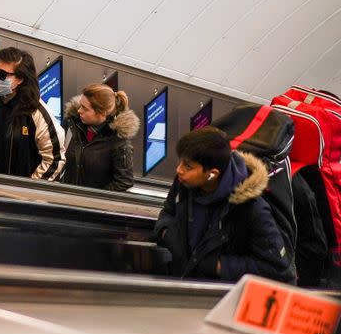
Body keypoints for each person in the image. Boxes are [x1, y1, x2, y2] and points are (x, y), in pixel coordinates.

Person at [154, 127, 295, 283]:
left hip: (217, 296)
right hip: (181, 282)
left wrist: (219, 266)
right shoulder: (184, 183)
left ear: (212, 174)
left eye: (188, 166)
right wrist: (166, 232)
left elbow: (277, 269)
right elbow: (168, 211)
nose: (178, 170)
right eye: (181, 161)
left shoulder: (252, 209)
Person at [0, 47, 65, 180]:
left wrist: (31, 189)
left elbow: (54, 159)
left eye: (2, 74)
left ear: (20, 79)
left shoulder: (36, 112)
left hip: (19, 193)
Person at [62, 84, 138, 191]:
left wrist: (95, 197)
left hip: (92, 205)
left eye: (84, 108)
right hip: (63, 198)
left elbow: (124, 181)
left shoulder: (118, 142)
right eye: (80, 105)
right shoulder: (71, 124)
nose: (79, 110)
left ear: (102, 113)